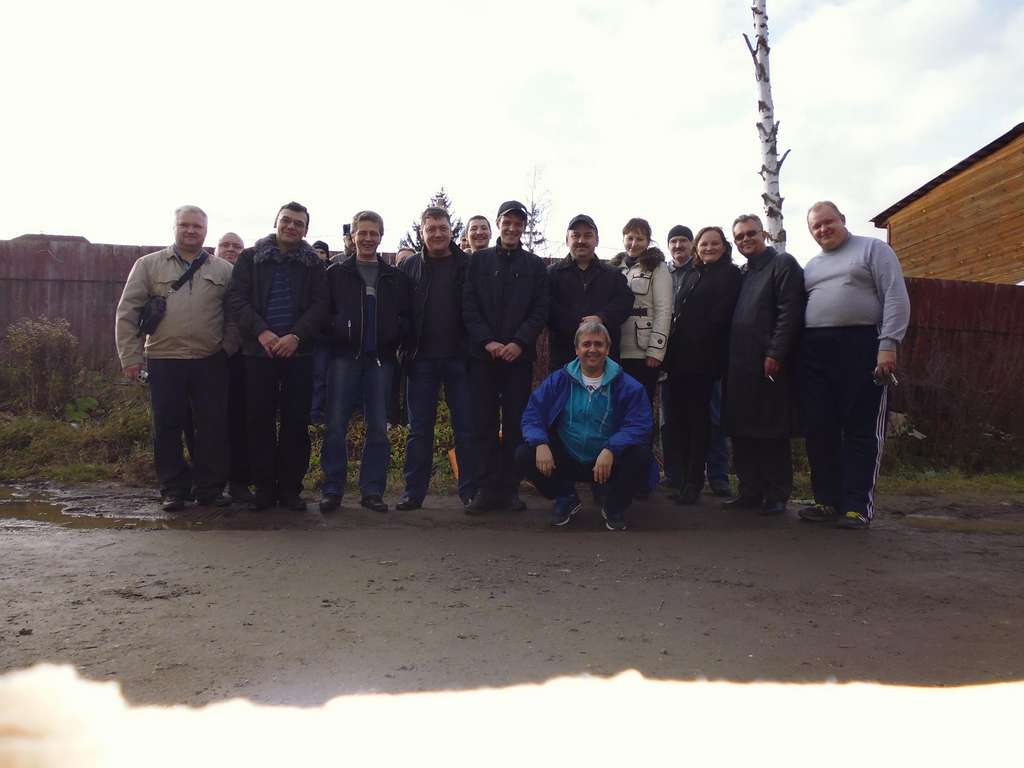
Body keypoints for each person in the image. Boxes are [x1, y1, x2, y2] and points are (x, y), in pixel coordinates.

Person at [798, 201, 910, 529]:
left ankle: (857, 506)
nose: (823, 229)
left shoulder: (873, 249)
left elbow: (895, 296)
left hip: (862, 346)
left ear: (843, 219)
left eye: (828, 222)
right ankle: (826, 501)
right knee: (820, 428)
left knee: (860, 428)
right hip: (815, 350)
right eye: (816, 226)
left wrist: (888, 345)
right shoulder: (812, 266)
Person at [115, 205, 233, 511]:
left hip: (210, 359)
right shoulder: (148, 265)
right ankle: (173, 489)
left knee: (211, 427)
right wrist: (130, 357)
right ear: (175, 227)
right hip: (164, 358)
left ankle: (209, 489)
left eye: (197, 226)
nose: (191, 230)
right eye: (185, 225)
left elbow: (236, 314)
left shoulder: (223, 270)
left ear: (206, 231)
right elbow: (127, 312)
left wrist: (227, 349)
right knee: (167, 427)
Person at [227, 201, 328, 511]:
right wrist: (262, 332)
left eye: (299, 223)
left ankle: (290, 490)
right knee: (258, 422)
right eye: (287, 220)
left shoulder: (313, 265)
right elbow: (236, 299)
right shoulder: (250, 258)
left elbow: (321, 305)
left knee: (296, 424)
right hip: (258, 353)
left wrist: (296, 336)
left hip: (299, 353)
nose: (291, 227)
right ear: (276, 222)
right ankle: (264, 489)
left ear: (306, 230)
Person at [517, 321, 657, 531]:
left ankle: (614, 506)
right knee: (524, 453)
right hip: (568, 455)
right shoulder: (559, 380)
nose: (592, 349)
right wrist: (540, 443)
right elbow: (532, 414)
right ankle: (565, 496)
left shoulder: (628, 386)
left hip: (607, 461)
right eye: (586, 344)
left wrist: (611, 449)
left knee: (641, 455)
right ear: (577, 349)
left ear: (607, 349)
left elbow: (640, 425)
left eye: (599, 344)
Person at [318, 211, 413, 514]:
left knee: (378, 428)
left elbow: (406, 316)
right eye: (363, 233)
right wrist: (337, 331)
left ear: (381, 237)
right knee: (335, 426)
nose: (368, 238)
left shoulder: (394, 278)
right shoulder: (335, 273)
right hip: (344, 358)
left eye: (374, 233)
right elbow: (323, 313)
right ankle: (332, 489)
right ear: (353, 237)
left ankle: (372, 491)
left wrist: (394, 333)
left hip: (381, 361)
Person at [462, 200, 549, 513]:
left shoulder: (535, 266)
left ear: (523, 227)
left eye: (518, 223)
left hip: (518, 359)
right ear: (498, 224)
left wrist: (519, 342)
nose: (512, 228)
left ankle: (510, 488)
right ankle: (486, 489)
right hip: (482, 357)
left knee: (515, 424)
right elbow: (468, 304)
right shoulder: (478, 261)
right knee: (482, 423)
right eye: (507, 222)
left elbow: (540, 309)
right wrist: (487, 341)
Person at [723, 215, 805, 516]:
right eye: (739, 236)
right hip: (739, 364)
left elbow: (789, 312)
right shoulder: (743, 272)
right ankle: (749, 491)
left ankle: (776, 494)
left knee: (771, 431)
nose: (745, 239)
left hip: (769, 363)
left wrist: (776, 353)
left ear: (764, 235)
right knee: (742, 430)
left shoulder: (783, 264)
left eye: (751, 234)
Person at [396, 207, 477, 510]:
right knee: (419, 430)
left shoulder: (468, 265)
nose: (438, 234)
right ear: (422, 232)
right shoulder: (409, 267)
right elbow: (400, 312)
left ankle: (469, 491)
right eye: (431, 229)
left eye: (443, 228)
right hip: (421, 360)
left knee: (465, 428)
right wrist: (403, 345)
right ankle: (413, 493)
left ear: (451, 231)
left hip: (460, 359)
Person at [664, 226, 742, 505]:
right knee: (679, 422)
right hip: (679, 360)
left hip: (704, 361)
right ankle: (684, 478)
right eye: (704, 244)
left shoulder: (730, 274)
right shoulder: (695, 274)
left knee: (700, 422)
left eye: (714, 243)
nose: (708, 248)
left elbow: (719, 318)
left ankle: (695, 482)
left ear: (724, 246)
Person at [546, 214, 633, 372]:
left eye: (587, 236)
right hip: (564, 358)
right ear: (567, 240)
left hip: (605, 362)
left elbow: (625, 303)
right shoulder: (552, 274)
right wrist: (577, 324)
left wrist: (601, 318)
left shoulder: (613, 275)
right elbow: (546, 307)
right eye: (575, 236)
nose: (581, 241)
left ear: (596, 240)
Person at [610, 218, 672, 406]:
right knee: (616, 404)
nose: (634, 243)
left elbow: (664, 310)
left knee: (640, 404)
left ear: (648, 241)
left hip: (643, 351)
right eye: (630, 238)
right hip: (615, 348)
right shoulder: (614, 268)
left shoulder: (657, 267)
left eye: (640, 239)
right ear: (623, 238)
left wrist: (656, 351)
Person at [214, 232, 251, 503]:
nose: (230, 249)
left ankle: (239, 482)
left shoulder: (248, 278)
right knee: (205, 423)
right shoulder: (204, 273)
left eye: (236, 246)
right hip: (203, 358)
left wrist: (226, 349)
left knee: (239, 422)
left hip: (241, 359)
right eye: (225, 245)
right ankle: (207, 481)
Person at [309, 240, 333, 425]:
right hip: (310, 335)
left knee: (326, 376)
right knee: (315, 376)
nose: (319, 255)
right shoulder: (306, 272)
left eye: (322, 252)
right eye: (316, 251)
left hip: (329, 335)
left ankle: (322, 411)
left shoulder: (333, 274)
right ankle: (314, 413)